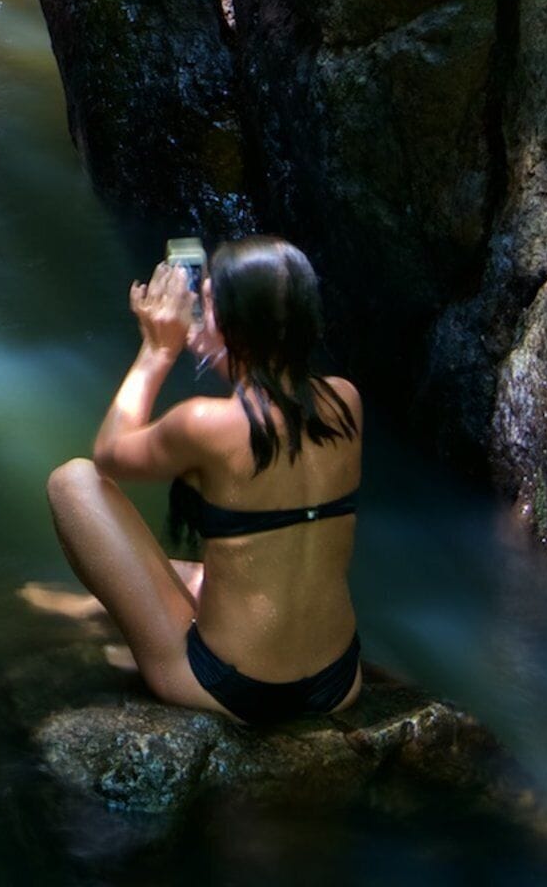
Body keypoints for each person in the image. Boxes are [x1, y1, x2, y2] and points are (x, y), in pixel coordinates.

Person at [43, 235, 367, 725]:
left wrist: (157, 350)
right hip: (339, 681)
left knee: (73, 482)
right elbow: (269, 409)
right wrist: (223, 350)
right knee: (216, 564)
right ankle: (89, 609)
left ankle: (112, 628)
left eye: (208, 303)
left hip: (233, 690)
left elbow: (108, 455)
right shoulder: (346, 401)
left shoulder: (201, 424)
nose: (198, 309)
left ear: (233, 325)